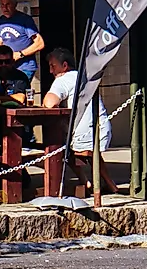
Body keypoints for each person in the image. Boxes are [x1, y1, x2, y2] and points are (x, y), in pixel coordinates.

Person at [44, 49, 109, 190]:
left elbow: (49, 103)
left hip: (82, 136)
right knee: (71, 148)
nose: (50, 71)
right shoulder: (86, 76)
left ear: (64, 66)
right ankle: (107, 184)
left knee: (61, 147)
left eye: (53, 66)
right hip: (102, 130)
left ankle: (84, 183)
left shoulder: (63, 79)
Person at [0, 0, 44, 67]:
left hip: (25, 66)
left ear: (15, 4)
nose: (5, 8)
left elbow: (39, 44)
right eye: (2, 5)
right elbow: (0, 41)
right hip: (8, 66)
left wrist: (20, 54)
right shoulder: (1, 20)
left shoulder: (25, 20)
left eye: (8, 4)